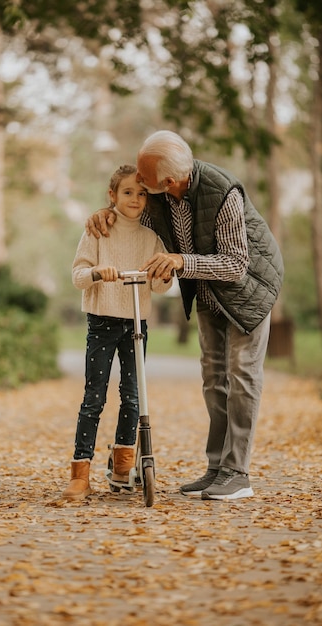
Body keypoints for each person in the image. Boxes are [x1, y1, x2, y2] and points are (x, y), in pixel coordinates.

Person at [85, 130, 284, 501]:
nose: (140, 186)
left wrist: (181, 261)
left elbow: (236, 265)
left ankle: (237, 473)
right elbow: (129, 214)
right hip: (209, 293)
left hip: (248, 291)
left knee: (241, 376)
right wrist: (103, 214)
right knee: (213, 378)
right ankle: (216, 469)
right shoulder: (161, 197)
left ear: (170, 182)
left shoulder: (223, 193)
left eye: (146, 180)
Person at [62, 164, 172, 501]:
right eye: (128, 193)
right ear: (113, 195)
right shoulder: (98, 230)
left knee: (133, 395)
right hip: (103, 320)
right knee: (94, 395)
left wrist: (164, 275)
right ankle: (80, 473)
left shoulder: (151, 237)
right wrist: (97, 272)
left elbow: (159, 286)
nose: (135, 199)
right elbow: (78, 275)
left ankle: (123, 465)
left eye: (141, 194)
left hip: (137, 321)